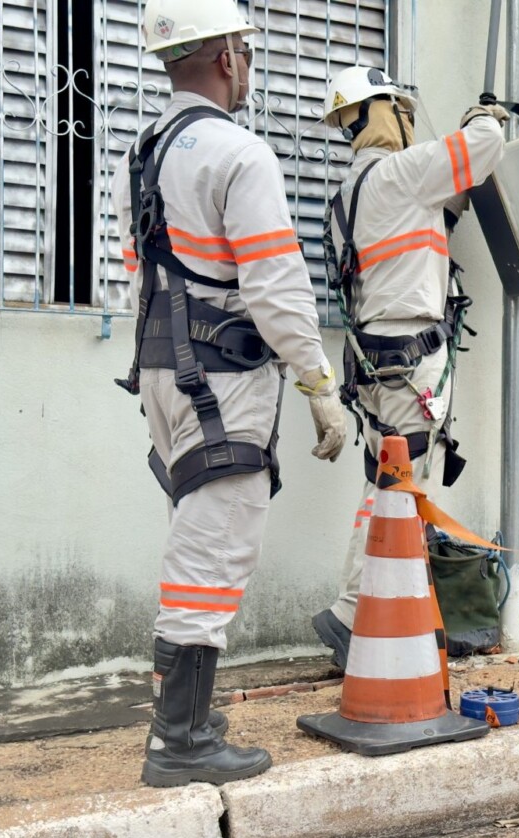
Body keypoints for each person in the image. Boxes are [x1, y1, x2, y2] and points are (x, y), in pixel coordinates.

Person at [112, 0, 347, 787]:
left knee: (196, 532)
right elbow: (276, 284)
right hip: (221, 376)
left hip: (163, 371)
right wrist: (318, 383)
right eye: (245, 50)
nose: (248, 64)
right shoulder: (238, 152)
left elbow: (139, 273)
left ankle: (190, 716)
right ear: (224, 58)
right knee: (212, 548)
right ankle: (178, 739)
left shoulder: (143, 151)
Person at [310, 67, 507, 669]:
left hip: (376, 367)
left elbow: (435, 211)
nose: (409, 120)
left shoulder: (352, 192)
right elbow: (482, 148)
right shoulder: (400, 173)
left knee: (384, 483)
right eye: (401, 108)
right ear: (378, 112)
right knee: (397, 488)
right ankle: (354, 614)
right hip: (406, 364)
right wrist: (481, 119)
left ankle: (381, 610)